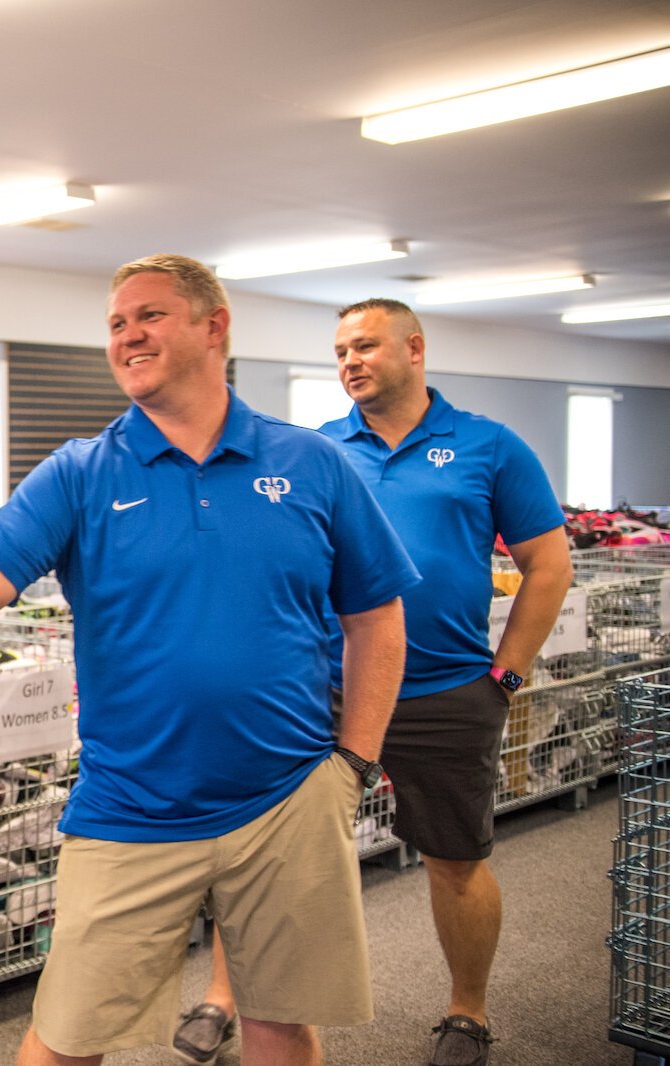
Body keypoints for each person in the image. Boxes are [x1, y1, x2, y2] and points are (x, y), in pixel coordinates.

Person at [0, 254, 417, 1066]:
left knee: (280, 1022)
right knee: (65, 1037)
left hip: (287, 796)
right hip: (129, 806)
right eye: (115, 324)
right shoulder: (82, 471)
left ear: (213, 326)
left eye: (149, 316)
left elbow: (376, 615)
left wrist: (354, 762)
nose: (127, 335)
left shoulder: (310, 463)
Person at [173, 298, 572, 1066]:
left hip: (446, 691)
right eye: (338, 350)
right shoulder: (316, 451)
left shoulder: (489, 446)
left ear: (413, 349)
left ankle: (466, 1014)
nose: (349, 361)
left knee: (455, 860)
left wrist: (506, 675)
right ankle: (222, 998)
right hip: (320, 691)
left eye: (364, 346)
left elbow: (547, 567)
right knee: (256, 851)